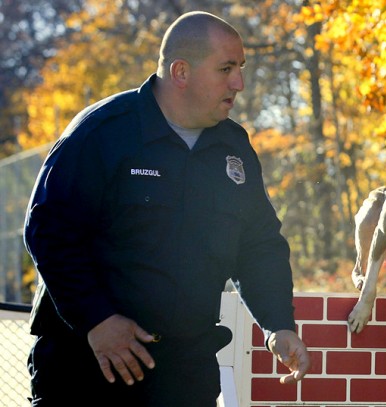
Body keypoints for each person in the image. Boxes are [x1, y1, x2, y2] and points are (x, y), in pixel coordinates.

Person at [23, 11, 310, 406]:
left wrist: (279, 324)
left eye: (241, 68)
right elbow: (49, 230)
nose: (239, 83)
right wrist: (98, 320)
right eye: (226, 68)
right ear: (180, 72)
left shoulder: (233, 147)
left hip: (183, 372)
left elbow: (258, 247)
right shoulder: (104, 132)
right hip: (89, 365)